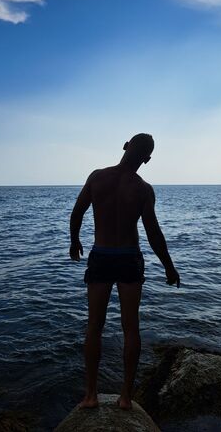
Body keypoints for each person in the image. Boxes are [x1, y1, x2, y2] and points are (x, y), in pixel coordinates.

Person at [69, 133, 180, 410]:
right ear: (147, 159)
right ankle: (126, 398)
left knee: (94, 326)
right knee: (131, 328)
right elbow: (153, 233)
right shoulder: (143, 189)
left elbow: (77, 212)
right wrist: (169, 266)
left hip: (102, 256)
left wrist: (74, 240)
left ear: (125, 146)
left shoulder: (97, 177)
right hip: (129, 258)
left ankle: (90, 395)